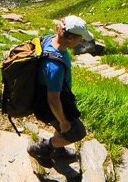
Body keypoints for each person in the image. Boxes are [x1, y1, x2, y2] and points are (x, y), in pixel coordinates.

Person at [27, 15, 94, 166]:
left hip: (47, 97)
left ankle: (59, 150)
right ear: (70, 38)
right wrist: (63, 121)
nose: (81, 42)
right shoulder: (54, 66)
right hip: (47, 105)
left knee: (63, 126)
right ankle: (42, 149)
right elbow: (53, 99)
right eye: (80, 38)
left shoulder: (51, 40)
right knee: (77, 132)